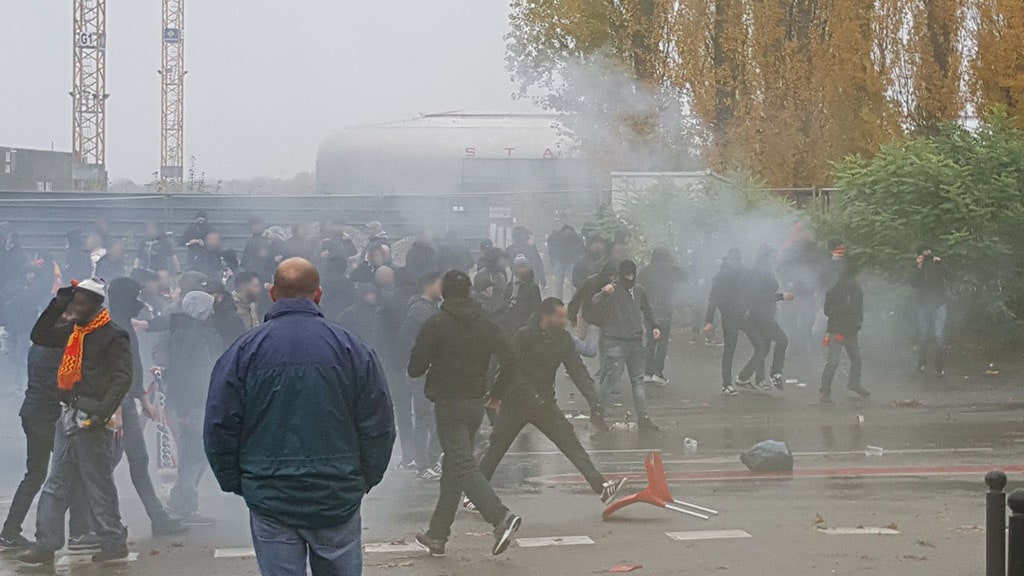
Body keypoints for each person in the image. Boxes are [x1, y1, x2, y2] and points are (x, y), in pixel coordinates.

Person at [205, 258, 394, 576]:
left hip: (269, 493)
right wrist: (364, 477)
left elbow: (220, 426)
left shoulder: (243, 352)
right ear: (318, 294)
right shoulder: (352, 349)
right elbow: (378, 424)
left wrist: (239, 482)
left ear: (272, 294)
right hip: (336, 492)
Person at [18, 279, 132, 565]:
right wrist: (59, 303)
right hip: (67, 414)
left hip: (91, 419)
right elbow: (40, 335)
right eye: (74, 303)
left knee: (97, 482)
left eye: (81, 304)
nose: (76, 308)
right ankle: (46, 543)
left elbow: (122, 378)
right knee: (56, 482)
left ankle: (113, 541)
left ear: (96, 305)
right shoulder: (72, 331)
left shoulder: (114, 335)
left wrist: (100, 414)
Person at [409, 270, 522, 558]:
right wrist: (497, 392)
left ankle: (500, 517)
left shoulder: (436, 323)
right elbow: (511, 357)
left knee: (460, 464)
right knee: (454, 469)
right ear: (470, 291)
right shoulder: (486, 323)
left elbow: (415, 367)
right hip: (476, 404)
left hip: (448, 404)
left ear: (445, 292)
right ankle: (437, 535)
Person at [477, 298, 623, 503]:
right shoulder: (524, 336)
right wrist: (529, 395)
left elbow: (577, 369)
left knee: (569, 440)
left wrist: (593, 399)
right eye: (560, 316)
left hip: (544, 403)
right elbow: (513, 371)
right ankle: (474, 495)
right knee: (497, 447)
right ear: (546, 317)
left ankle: (601, 487)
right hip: (516, 403)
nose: (564, 321)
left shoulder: (562, 339)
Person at [107, 277, 188, 536]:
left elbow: (134, 367)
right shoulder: (112, 326)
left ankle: (158, 519)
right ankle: (95, 524)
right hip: (117, 404)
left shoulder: (122, 326)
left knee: (136, 461)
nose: (139, 302)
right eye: (135, 296)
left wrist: (142, 398)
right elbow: (124, 369)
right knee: (106, 463)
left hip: (126, 401)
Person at [0, 345, 90, 551]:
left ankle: (10, 532)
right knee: (73, 467)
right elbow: (63, 384)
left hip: (33, 412)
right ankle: (77, 531)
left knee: (36, 475)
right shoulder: (55, 349)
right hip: (45, 417)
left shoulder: (38, 346)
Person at [163, 291, 223, 525]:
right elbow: (181, 376)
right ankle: (183, 504)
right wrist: (185, 412)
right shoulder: (186, 337)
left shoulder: (196, 332)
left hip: (203, 400)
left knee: (198, 454)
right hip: (193, 404)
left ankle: (184, 503)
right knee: (193, 455)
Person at [593, 260, 661, 431]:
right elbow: (595, 302)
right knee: (612, 378)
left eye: (632, 275)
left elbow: (648, 309)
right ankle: (598, 413)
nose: (629, 279)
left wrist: (655, 325)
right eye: (626, 275)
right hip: (615, 340)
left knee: (638, 381)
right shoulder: (612, 290)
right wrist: (604, 292)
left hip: (635, 341)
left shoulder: (639, 290)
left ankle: (643, 418)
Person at [396, 272, 444, 478]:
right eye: (439, 285)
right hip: (422, 374)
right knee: (424, 416)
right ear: (428, 286)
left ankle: (431, 460)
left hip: (432, 372)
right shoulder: (418, 311)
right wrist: (420, 364)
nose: (442, 289)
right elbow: (405, 340)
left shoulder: (431, 308)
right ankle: (422, 465)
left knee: (434, 416)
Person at [736, 245, 794, 391]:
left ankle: (744, 377)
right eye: (772, 256)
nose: (774, 260)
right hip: (761, 316)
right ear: (764, 257)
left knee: (763, 349)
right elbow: (757, 297)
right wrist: (781, 296)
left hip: (764, 314)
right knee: (782, 340)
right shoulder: (758, 274)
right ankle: (775, 374)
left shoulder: (765, 271)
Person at [820, 262, 870, 402]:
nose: (862, 278)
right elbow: (827, 311)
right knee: (833, 362)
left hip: (851, 331)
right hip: (836, 331)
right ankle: (825, 389)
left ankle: (854, 383)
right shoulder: (835, 291)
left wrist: (859, 322)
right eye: (859, 275)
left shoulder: (858, 291)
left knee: (857, 360)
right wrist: (844, 307)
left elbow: (859, 310)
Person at [638, 248, 687, 385]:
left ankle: (647, 372)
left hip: (649, 309)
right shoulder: (671, 269)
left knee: (650, 340)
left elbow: (637, 285)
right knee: (663, 341)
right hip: (665, 309)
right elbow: (686, 277)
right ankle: (658, 373)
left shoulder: (645, 271)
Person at [704, 248, 748, 396]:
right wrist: (709, 321)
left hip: (743, 314)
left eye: (738, 260)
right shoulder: (721, 276)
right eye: (734, 260)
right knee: (730, 348)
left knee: (760, 342)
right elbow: (713, 298)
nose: (736, 262)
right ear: (729, 259)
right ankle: (726, 383)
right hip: (729, 315)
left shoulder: (743, 273)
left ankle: (749, 376)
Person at [912, 244, 948, 377]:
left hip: (938, 304)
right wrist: (919, 267)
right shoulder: (918, 267)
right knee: (923, 335)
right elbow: (913, 283)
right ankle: (922, 362)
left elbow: (949, 275)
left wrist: (940, 263)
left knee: (938, 335)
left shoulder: (937, 265)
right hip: (923, 306)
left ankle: (939, 367)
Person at [502, 254, 542, 337]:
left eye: (524, 267)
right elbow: (505, 302)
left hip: (526, 324)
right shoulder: (510, 285)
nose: (522, 270)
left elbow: (536, 308)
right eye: (519, 267)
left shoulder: (533, 287)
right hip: (510, 324)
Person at [338, 284, 382, 349]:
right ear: (362, 295)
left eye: (374, 293)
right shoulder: (350, 313)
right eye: (369, 294)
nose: (373, 296)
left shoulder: (378, 311)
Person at [547, 225, 584, 299]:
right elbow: (581, 250)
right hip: (567, 259)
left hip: (561, 259)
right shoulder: (576, 237)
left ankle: (559, 299)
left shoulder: (555, 236)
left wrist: (552, 259)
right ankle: (574, 298)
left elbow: (550, 248)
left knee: (559, 281)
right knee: (571, 280)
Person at [507, 226, 545, 290]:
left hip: (516, 280)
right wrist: (542, 278)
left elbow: (509, 267)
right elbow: (538, 264)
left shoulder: (509, 249)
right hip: (531, 279)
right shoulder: (531, 248)